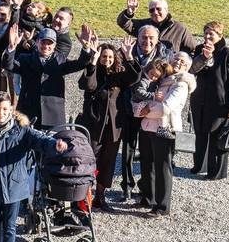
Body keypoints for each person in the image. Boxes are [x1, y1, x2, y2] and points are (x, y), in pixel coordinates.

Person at [0, 92, 67, 242]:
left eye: (5, 109)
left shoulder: (22, 130)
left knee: (10, 228)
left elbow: (41, 140)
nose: (1, 113)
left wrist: (55, 145)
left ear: (11, 109)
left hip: (14, 186)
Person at [76, 37, 141, 210]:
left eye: (110, 57)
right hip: (94, 124)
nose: (107, 60)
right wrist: (93, 61)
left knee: (108, 160)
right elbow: (88, 86)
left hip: (114, 126)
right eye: (104, 56)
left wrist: (128, 56)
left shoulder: (119, 74)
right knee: (91, 160)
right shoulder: (93, 71)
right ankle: (85, 196)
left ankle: (101, 196)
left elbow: (134, 77)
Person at [135, 52, 196, 218]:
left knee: (162, 168)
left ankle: (162, 206)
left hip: (164, 129)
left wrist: (143, 111)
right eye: (175, 58)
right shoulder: (163, 78)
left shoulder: (181, 84)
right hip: (148, 127)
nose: (178, 62)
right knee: (147, 166)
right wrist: (141, 110)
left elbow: (165, 108)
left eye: (182, 61)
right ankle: (148, 198)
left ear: (187, 66)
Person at [1, 25, 94, 129]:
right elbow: (9, 65)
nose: (46, 46)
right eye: (43, 42)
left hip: (53, 115)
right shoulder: (25, 59)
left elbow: (80, 64)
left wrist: (86, 48)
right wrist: (11, 48)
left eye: (50, 43)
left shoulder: (60, 60)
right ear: (37, 42)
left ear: (55, 45)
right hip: (28, 112)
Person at [118, 24, 172, 201]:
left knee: (149, 152)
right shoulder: (126, 51)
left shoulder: (164, 56)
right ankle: (126, 186)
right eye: (143, 37)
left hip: (151, 113)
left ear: (157, 40)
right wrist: (128, 58)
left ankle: (147, 188)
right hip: (129, 108)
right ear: (137, 38)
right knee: (128, 148)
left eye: (151, 38)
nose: (147, 41)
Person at [189, 21, 229, 180]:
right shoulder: (199, 49)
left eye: (211, 34)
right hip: (199, 99)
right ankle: (199, 165)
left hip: (219, 103)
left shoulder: (228, 54)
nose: (207, 36)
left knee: (217, 137)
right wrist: (205, 57)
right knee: (200, 133)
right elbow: (192, 70)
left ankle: (216, 172)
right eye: (205, 33)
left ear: (220, 36)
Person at [117, 0, 196, 53]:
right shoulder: (144, 26)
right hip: (147, 68)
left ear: (166, 10)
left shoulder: (179, 28)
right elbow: (123, 23)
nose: (155, 12)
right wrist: (129, 12)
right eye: (151, 10)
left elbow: (192, 49)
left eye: (158, 9)